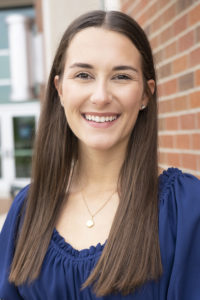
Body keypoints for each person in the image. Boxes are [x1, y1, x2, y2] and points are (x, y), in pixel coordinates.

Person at [0, 10, 200, 300]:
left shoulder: (187, 207)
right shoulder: (27, 210)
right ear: (60, 90)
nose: (101, 96)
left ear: (145, 94)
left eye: (121, 76)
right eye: (83, 75)